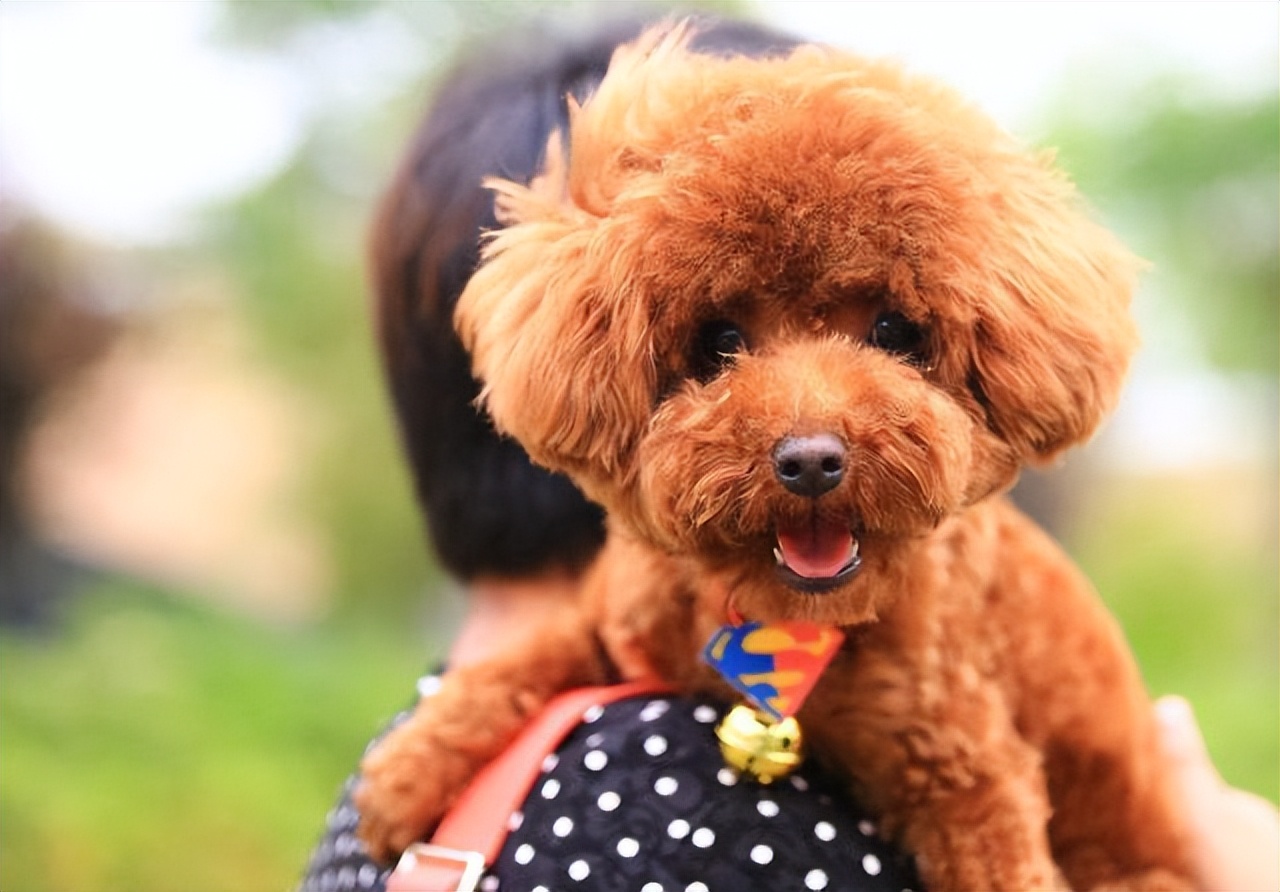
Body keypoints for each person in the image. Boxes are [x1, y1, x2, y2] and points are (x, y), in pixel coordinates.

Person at [299, 12, 1279, 892]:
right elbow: (605, 631)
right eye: (719, 344)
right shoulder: (673, 819)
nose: (809, 435)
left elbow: (969, 794)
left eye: (890, 333)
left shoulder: (366, 817)